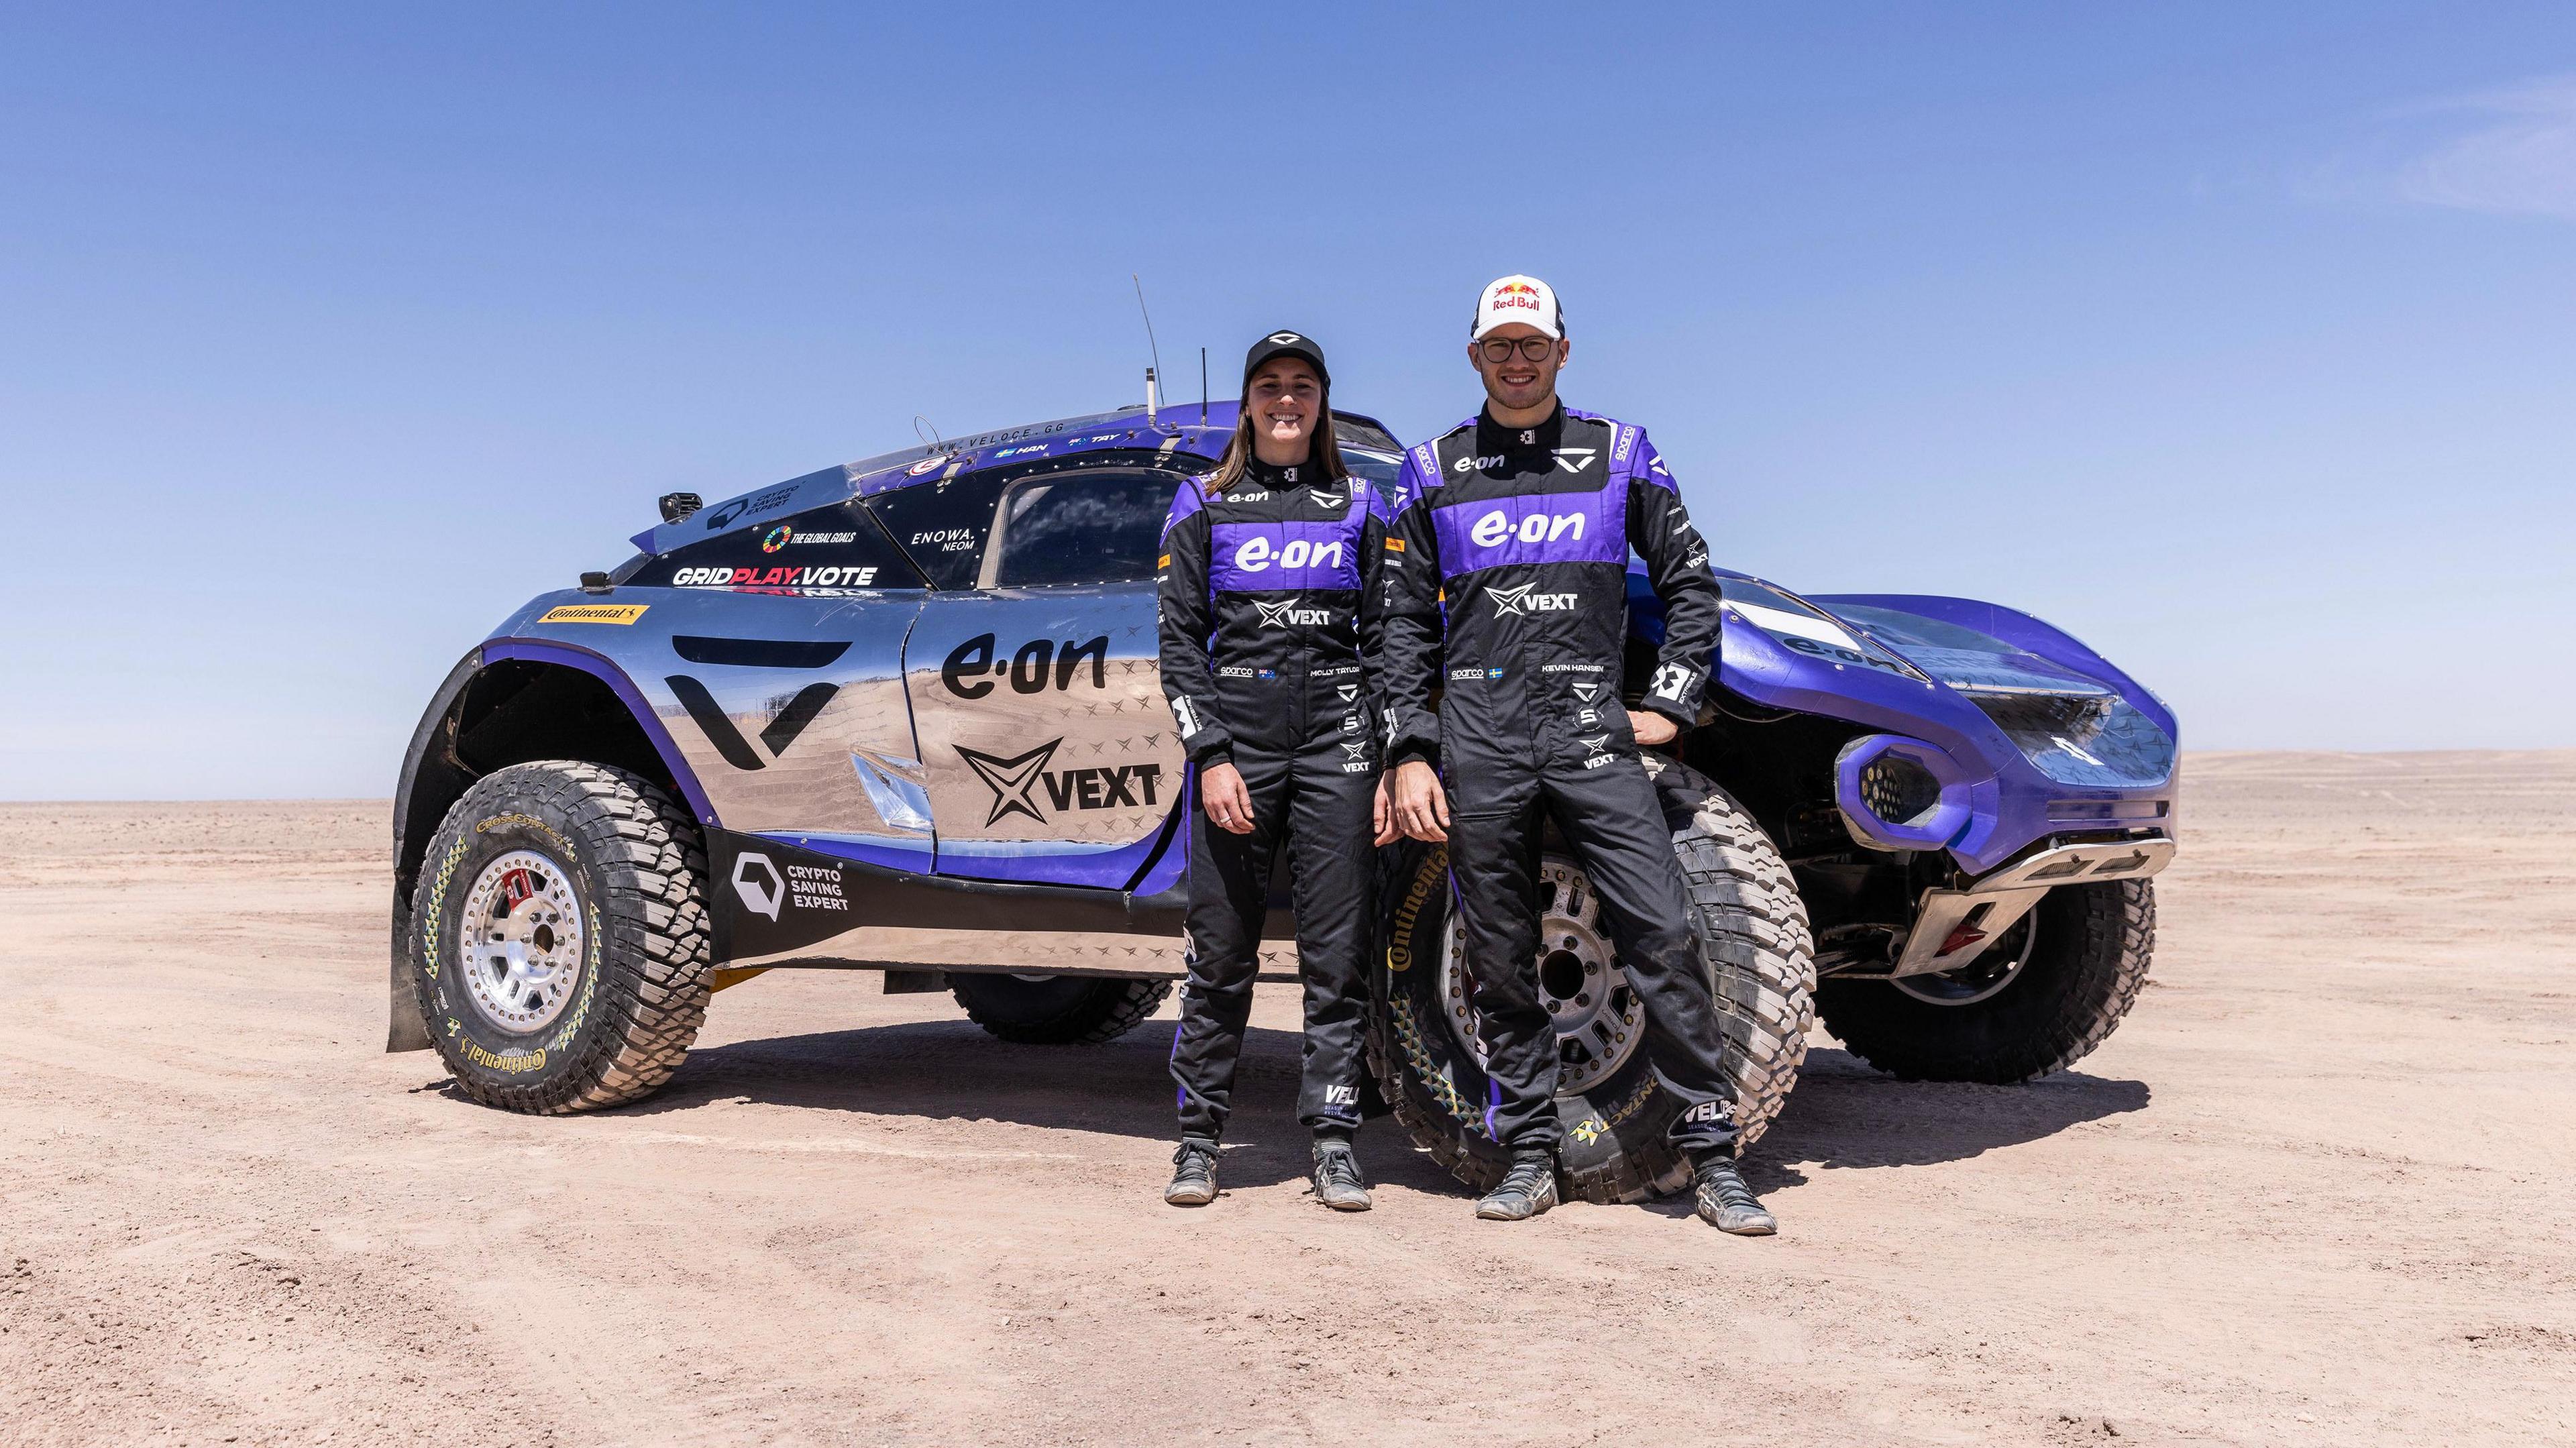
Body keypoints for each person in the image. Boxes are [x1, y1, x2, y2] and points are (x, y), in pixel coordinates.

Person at [1379, 276, 1776, 1235]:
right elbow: (1398, 625)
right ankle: (1525, 1154)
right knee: (1500, 956)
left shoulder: (1621, 453)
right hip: (1480, 736)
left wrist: (1671, 703)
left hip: (1590, 728)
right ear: (1475, 356)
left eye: (1534, 345)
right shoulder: (1431, 470)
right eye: (1500, 346)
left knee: (1664, 931)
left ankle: (1710, 1152)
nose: (1518, 361)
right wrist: (1411, 752)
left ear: (1563, 352)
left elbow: (1691, 586)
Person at [1158, 330, 1391, 1212]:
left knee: (1337, 960)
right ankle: (1197, 1141)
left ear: (1321, 400)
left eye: (1302, 385)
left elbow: (1386, 640)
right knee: (1221, 957)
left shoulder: (1359, 504)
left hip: (1337, 744)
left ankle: (1333, 1141)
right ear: (1248, 404)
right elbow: (1178, 647)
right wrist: (1210, 754)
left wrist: (1382, 755)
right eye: (1269, 385)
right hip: (1239, 745)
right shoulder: (1202, 501)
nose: (1285, 398)